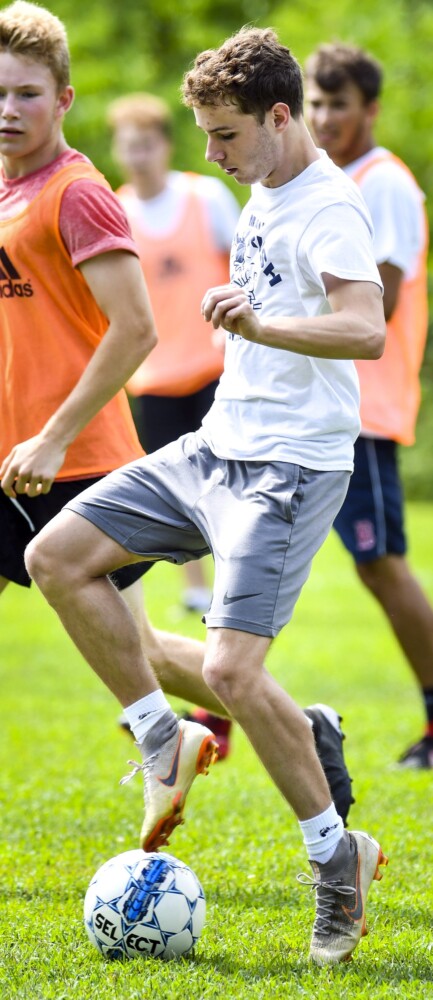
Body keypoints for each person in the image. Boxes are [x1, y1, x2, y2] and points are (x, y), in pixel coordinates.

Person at [26, 27, 388, 965]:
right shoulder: (262, 187)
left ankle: (333, 857)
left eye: (224, 135)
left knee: (230, 672)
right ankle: (158, 736)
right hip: (214, 447)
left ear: (277, 117)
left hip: (290, 468)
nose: (211, 155)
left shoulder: (329, 208)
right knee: (54, 557)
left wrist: (262, 323)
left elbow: (364, 328)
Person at [304, 43, 433, 769]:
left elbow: (365, 305)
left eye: (338, 105)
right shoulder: (330, 179)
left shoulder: (382, 184)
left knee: (382, 566)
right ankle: (212, 705)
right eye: (315, 104)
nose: (324, 119)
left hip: (362, 411)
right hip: (320, 406)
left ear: (370, 109)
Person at [108, 92, 240, 614]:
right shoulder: (116, 211)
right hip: (154, 375)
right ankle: (195, 588)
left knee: (228, 481)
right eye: (128, 146)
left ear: (164, 145)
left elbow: (247, 267)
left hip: (214, 366)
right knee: (178, 488)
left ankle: (236, 583)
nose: (138, 155)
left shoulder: (205, 196)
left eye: (146, 144)